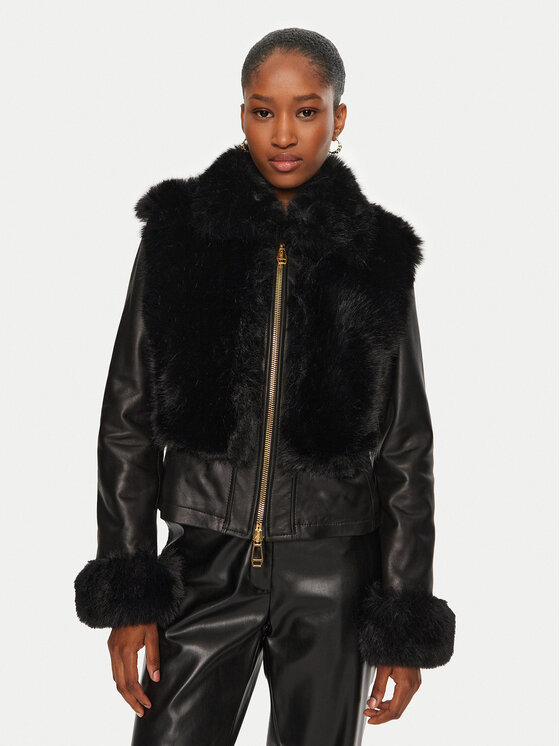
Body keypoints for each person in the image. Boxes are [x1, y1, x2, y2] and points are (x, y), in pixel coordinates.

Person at [74, 27, 456, 746]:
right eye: (263, 111)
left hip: (332, 579)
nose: (283, 134)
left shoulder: (377, 254)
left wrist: (404, 618)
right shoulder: (179, 236)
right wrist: (129, 591)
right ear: (242, 113)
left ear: (338, 118)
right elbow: (126, 420)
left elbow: (406, 448)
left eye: (306, 111)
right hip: (200, 565)